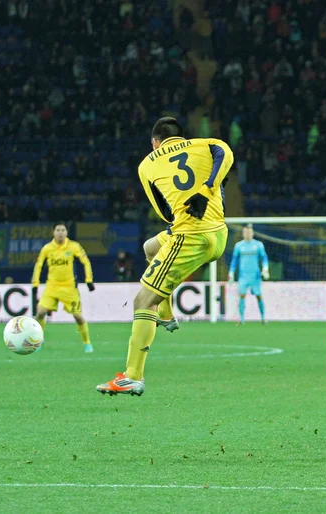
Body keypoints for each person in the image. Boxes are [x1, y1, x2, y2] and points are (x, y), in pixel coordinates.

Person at [96, 117, 233, 396]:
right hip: (218, 233)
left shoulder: (147, 163)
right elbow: (226, 153)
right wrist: (209, 187)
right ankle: (167, 314)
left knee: (143, 300)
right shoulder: (206, 145)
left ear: (154, 142)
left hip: (190, 237)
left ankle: (132, 376)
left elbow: (164, 212)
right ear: (182, 138)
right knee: (151, 247)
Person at [31, 222, 95, 353]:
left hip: (69, 287)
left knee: (78, 316)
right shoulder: (47, 248)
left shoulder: (73, 246)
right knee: (40, 312)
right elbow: (38, 265)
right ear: (53, 232)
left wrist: (89, 280)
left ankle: (87, 343)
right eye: (58, 230)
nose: (60, 232)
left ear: (66, 232)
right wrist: (35, 284)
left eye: (63, 230)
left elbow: (86, 262)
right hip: (52, 286)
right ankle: (39, 339)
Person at [228, 224, 270, 324]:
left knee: (259, 296)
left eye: (249, 232)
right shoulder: (239, 246)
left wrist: (265, 269)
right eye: (245, 232)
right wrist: (231, 273)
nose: (247, 234)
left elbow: (264, 258)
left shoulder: (258, 245)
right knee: (242, 296)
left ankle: (263, 317)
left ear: (252, 233)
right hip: (243, 276)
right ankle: (242, 319)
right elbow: (234, 260)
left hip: (255, 276)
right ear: (243, 233)